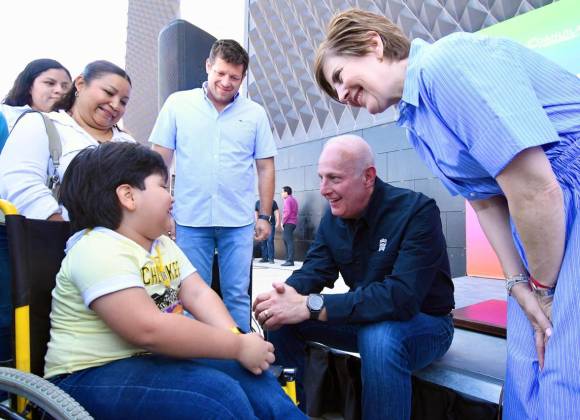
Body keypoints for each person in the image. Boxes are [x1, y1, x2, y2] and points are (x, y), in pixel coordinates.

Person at [314, 8, 580, 419]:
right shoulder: (414, 121)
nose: (342, 96)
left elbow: (535, 188)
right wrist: (518, 285)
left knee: (563, 372)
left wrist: (544, 292)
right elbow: (486, 201)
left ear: (373, 44)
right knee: (528, 374)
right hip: (541, 229)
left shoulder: (445, 64)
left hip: (561, 207)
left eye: (339, 77)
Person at [45, 142, 304, 419]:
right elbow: (149, 329)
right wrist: (238, 347)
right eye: (163, 186)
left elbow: (198, 294)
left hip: (150, 362)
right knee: (213, 396)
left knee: (248, 373)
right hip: (86, 376)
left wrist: (236, 338)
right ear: (128, 196)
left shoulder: (161, 244)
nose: (172, 198)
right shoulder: (98, 248)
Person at [253, 135, 454, 419]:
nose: (324, 189)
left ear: (368, 177)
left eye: (334, 178)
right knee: (281, 319)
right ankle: (289, 414)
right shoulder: (333, 217)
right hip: (364, 317)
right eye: (321, 177)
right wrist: (283, 296)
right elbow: (314, 270)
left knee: (379, 337)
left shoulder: (417, 211)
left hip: (426, 324)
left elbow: (401, 298)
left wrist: (312, 305)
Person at [149, 39, 276, 332]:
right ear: (208, 66)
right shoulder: (178, 104)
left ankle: (240, 352)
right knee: (191, 294)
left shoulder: (255, 113)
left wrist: (265, 215)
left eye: (235, 77)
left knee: (237, 295)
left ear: (243, 77)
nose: (226, 82)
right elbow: (158, 161)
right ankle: (195, 355)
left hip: (238, 221)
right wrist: (160, 212)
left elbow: (265, 167)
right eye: (220, 73)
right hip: (189, 219)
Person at [0, 60, 134, 221]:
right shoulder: (41, 124)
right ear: (80, 84)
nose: (115, 105)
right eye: (109, 92)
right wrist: (56, 224)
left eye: (123, 102)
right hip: (56, 233)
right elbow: (19, 182)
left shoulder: (129, 143)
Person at [1, 58, 71, 133]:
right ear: (29, 86)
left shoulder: (71, 125)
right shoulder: (4, 115)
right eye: (50, 83)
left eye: (64, 86)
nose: (59, 90)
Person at [280, 186, 298, 266]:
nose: (281, 194)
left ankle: (290, 261)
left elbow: (287, 212)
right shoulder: (294, 200)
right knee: (287, 240)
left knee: (288, 241)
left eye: (282, 192)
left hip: (288, 222)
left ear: (286, 192)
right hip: (293, 223)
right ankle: (288, 259)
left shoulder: (287, 200)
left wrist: (282, 222)